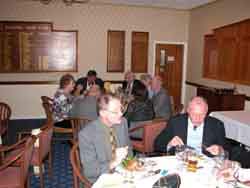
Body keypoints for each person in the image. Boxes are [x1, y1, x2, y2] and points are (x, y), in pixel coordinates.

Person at [78, 94, 132, 183]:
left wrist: (128, 166)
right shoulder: (86, 134)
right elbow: (90, 171)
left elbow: (129, 147)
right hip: (101, 178)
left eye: (121, 109)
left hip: (123, 172)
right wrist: (115, 161)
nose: (121, 114)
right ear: (102, 113)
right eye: (115, 111)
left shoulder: (123, 123)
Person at [154, 96, 226, 156]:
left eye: (202, 114)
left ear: (206, 112)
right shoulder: (175, 122)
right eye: (194, 114)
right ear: (188, 110)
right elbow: (157, 144)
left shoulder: (217, 125)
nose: (198, 118)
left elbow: (225, 149)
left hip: (206, 163)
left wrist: (220, 150)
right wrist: (169, 143)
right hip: (180, 161)